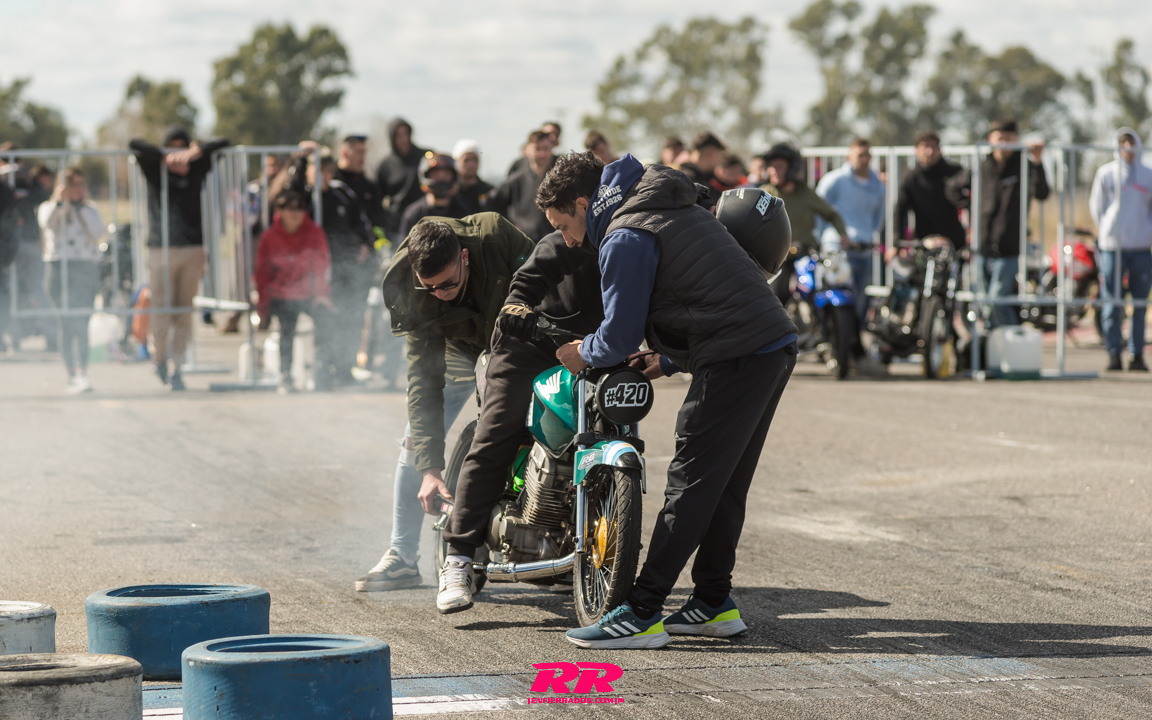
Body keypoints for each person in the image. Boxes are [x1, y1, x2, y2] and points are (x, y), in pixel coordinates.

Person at [535, 151, 797, 649]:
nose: (567, 240)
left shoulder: (624, 232)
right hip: (770, 343)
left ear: (584, 204)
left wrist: (580, 352)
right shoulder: (664, 201)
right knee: (723, 483)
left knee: (690, 483)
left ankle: (641, 612)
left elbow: (617, 336)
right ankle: (712, 602)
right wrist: (669, 359)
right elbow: (708, 292)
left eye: (564, 226)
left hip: (738, 354)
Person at [355, 213, 535, 592]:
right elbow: (423, 382)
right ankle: (402, 556)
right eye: (430, 287)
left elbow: (547, 280)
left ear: (464, 257)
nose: (439, 294)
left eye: (449, 283)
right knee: (415, 440)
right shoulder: (411, 289)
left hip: (516, 340)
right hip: (456, 349)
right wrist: (430, 469)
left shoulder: (497, 236)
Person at [435, 228, 604, 613]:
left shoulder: (638, 241)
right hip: (531, 345)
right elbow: (528, 279)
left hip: (599, 350)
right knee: (495, 435)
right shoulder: (569, 239)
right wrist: (517, 307)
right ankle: (458, 558)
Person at [130, 127, 230, 391]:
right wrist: (164, 157)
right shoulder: (155, 170)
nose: (177, 154)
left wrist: (195, 152)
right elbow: (135, 143)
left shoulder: (196, 169)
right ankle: (159, 358)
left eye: (180, 148)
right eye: (171, 147)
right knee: (161, 309)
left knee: (184, 313)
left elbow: (224, 141)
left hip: (192, 248)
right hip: (160, 249)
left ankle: (178, 365)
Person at [275, 143, 376, 387]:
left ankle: (343, 369)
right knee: (305, 321)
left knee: (347, 318)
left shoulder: (341, 193)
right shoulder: (301, 197)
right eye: (319, 170)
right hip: (306, 274)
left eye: (329, 171)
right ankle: (305, 373)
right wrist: (301, 159)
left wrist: (366, 244)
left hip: (343, 269)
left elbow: (361, 222)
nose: (325, 176)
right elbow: (287, 196)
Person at [946, 117, 1049, 328]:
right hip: (981, 245)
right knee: (984, 303)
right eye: (1000, 138)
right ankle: (993, 342)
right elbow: (952, 188)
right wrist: (971, 206)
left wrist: (1038, 161)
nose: (1004, 144)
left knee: (997, 300)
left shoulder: (1024, 165)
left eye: (1009, 139)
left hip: (1009, 247)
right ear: (990, 139)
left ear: (1016, 140)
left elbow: (1042, 192)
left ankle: (1010, 339)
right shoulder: (981, 166)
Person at [254, 190, 336, 394]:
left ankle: (321, 372)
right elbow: (262, 273)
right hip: (281, 295)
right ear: (279, 211)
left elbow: (322, 264)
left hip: (310, 293)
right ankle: (285, 376)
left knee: (326, 320)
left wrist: (321, 294)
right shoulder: (270, 237)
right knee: (286, 328)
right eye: (289, 209)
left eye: (299, 209)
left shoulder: (314, 232)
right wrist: (263, 306)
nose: (295, 214)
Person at [1089, 127, 1152, 372]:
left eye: (1131, 142)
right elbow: (1097, 207)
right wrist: (1108, 229)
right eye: (1122, 143)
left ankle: (1137, 355)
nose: (1127, 148)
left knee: (1139, 304)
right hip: (1112, 249)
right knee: (1112, 301)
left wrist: (1146, 233)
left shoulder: (1147, 175)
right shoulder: (1105, 174)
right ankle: (1114, 353)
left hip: (1141, 249)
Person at [37, 167, 105, 393]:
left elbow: (98, 231)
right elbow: (46, 224)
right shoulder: (50, 207)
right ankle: (71, 373)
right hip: (58, 267)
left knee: (82, 321)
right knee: (65, 323)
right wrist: (59, 203)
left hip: (84, 266)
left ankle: (82, 371)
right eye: (73, 184)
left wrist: (81, 206)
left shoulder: (89, 208)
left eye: (81, 184)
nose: (78, 189)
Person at [761, 142, 848, 299]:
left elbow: (831, 214)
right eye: (771, 166)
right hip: (778, 260)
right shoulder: (765, 194)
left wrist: (843, 234)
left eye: (779, 166)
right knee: (775, 296)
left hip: (806, 255)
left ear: (792, 168)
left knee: (820, 290)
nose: (773, 171)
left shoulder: (805, 193)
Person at [816, 138, 885, 328]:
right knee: (835, 301)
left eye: (867, 155)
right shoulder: (834, 180)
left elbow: (878, 217)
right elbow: (818, 210)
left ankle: (855, 341)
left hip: (863, 249)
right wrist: (825, 239)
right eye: (860, 155)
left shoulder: (877, 186)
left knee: (859, 302)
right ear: (849, 156)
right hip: (836, 250)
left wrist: (867, 235)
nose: (864, 159)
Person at [896, 131, 966, 248]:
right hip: (923, 243)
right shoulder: (911, 178)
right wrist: (897, 243)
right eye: (925, 147)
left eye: (933, 147)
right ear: (916, 150)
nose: (929, 152)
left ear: (939, 149)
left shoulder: (955, 173)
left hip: (954, 242)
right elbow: (900, 211)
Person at [489, 130, 556, 241]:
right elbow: (493, 202)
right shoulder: (517, 178)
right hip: (524, 241)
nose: (542, 154)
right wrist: (510, 225)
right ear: (528, 149)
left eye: (546, 149)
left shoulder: (560, 177)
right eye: (537, 149)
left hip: (553, 239)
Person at [375, 118, 428, 241]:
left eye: (405, 134)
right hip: (398, 228)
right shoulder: (386, 165)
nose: (403, 139)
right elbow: (378, 200)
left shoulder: (426, 157)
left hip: (427, 222)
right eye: (398, 135)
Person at [398, 153, 471, 240]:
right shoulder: (413, 215)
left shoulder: (463, 214)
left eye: (446, 175)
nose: (441, 180)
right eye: (436, 175)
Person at [336, 135, 386, 231]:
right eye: (359, 152)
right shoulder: (331, 182)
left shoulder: (370, 185)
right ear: (344, 153)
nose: (363, 158)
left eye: (364, 153)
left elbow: (379, 219)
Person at [677, 131, 726, 198]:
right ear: (711, 155)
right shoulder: (688, 180)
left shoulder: (701, 177)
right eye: (720, 156)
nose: (720, 160)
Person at [452, 139, 493, 215]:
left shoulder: (489, 192)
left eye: (474, 160)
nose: (471, 164)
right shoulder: (450, 192)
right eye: (466, 160)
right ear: (457, 161)